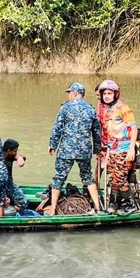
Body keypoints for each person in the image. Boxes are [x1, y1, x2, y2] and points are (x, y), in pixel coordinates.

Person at [47, 83, 103, 216]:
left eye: (69, 93)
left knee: (59, 178)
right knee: (88, 177)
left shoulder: (65, 107)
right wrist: (98, 149)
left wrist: (52, 144)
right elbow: (96, 132)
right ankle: (98, 207)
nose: (68, 95)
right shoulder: (90, 109)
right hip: (84, 150)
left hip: (67, 150)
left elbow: (57, 127)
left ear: (74, 93)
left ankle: (53, 210)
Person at [96, 79, 138, 216]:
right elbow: (108, 134)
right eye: (104, 94)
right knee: (113, 178)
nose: (107, 96)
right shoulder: (107, 110)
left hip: (124, 148)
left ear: (115, 94)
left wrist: (131, 148)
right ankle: (113, 204)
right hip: (112, 149)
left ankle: (130, 203)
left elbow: (134, 128)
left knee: (120, 178)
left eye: (109, 93)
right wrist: (107, 153)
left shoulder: (123, 108)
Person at [3, 139, 28, 210]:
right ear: (8, 151)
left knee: (23, 202)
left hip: (9, 185)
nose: (15, 153)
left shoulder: (10, 156)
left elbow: (20, 157)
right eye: (15, 151)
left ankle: (13, 211)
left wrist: (20, 158)